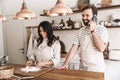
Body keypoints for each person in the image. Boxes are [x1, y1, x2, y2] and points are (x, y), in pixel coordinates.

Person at [58, 5, 108, 73]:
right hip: (82, 69)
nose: (84, 18)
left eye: (87, 15)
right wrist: (65, 63)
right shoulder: (81, 31)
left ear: (94, 16)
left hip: (97, 70)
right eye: (83, 15)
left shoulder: (102, 30)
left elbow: (101, 48)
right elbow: (74, 48)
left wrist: (92, 31)